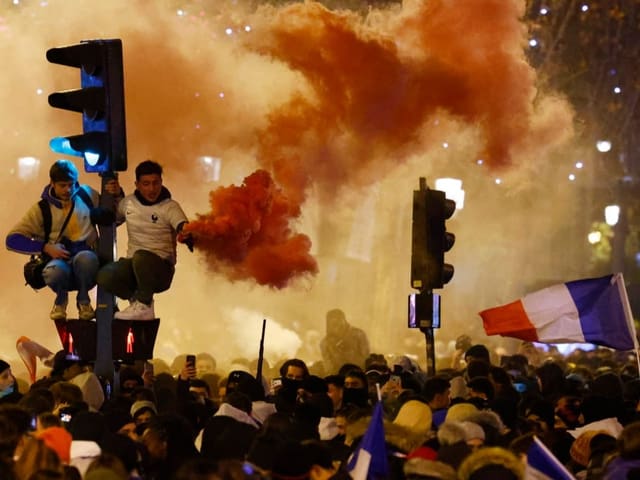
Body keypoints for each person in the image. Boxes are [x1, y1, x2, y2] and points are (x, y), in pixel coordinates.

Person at [6, 160, 117, 321]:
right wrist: (46, 248)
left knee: (86, 259)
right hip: (59, 261)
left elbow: (115, 215)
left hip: (86, 260)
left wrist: (117, 193)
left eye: (71, 185)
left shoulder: (86, 195)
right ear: (52, 183)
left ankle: (84, 301)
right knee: (54, 272)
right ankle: (60, 300)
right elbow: (12, 239)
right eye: (62, 185)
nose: (67, 190)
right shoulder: (41, 209)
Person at [97, 160, 192, 320]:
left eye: (156, 183)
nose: (152, 189)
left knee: (141, 257)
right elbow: (115, 219)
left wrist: (186, 233)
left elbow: (182, 225)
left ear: (161, 182)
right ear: (137, 184)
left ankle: (145, 303)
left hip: (160, 271)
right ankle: (137, 302)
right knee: (105, 276)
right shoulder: (128, 203)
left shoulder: (170, 207)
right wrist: (115, 193)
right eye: (146, 184)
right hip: (134, 267)